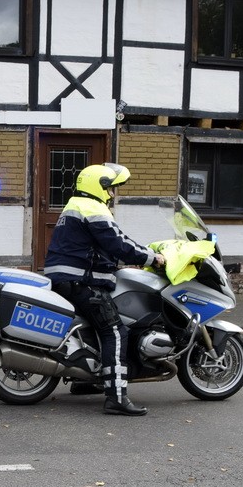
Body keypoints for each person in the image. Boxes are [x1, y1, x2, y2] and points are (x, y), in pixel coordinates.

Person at [43, 163, 165, 416]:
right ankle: (116, 397)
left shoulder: (74, 206)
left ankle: (86, 379)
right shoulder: (92, 208)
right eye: (110, 189)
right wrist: (153, 258)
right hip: (81, 280)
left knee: (93, 327)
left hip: (66, 276)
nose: (112, 195)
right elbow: (118, 243)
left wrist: (141, 252)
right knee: (115, 331)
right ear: (99, 186)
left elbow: (105, 244)